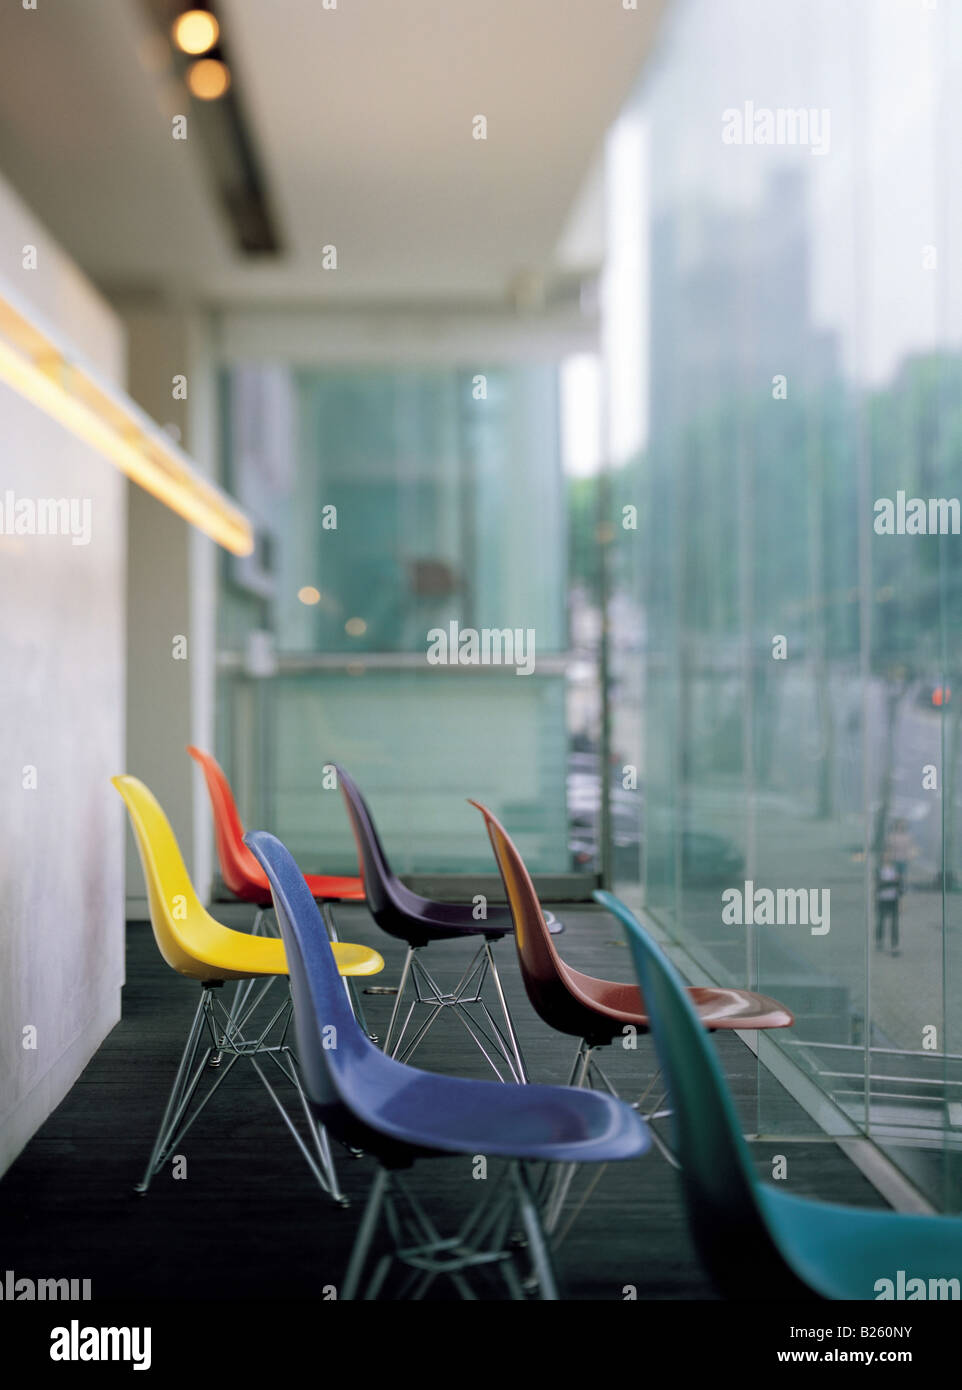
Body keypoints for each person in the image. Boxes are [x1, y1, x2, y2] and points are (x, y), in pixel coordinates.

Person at [875, 852, 902, 956]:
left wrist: (887, 883)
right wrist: (892, 882)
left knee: (894, 924)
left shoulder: (895, 869)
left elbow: (899, 884)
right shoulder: (879, 869)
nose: (888, 856)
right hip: (882, 899)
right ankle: (879, 940)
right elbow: (879, 884)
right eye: (886, 854)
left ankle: (894, 945)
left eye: (889, 854)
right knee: (881, 922)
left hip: (893, 899)